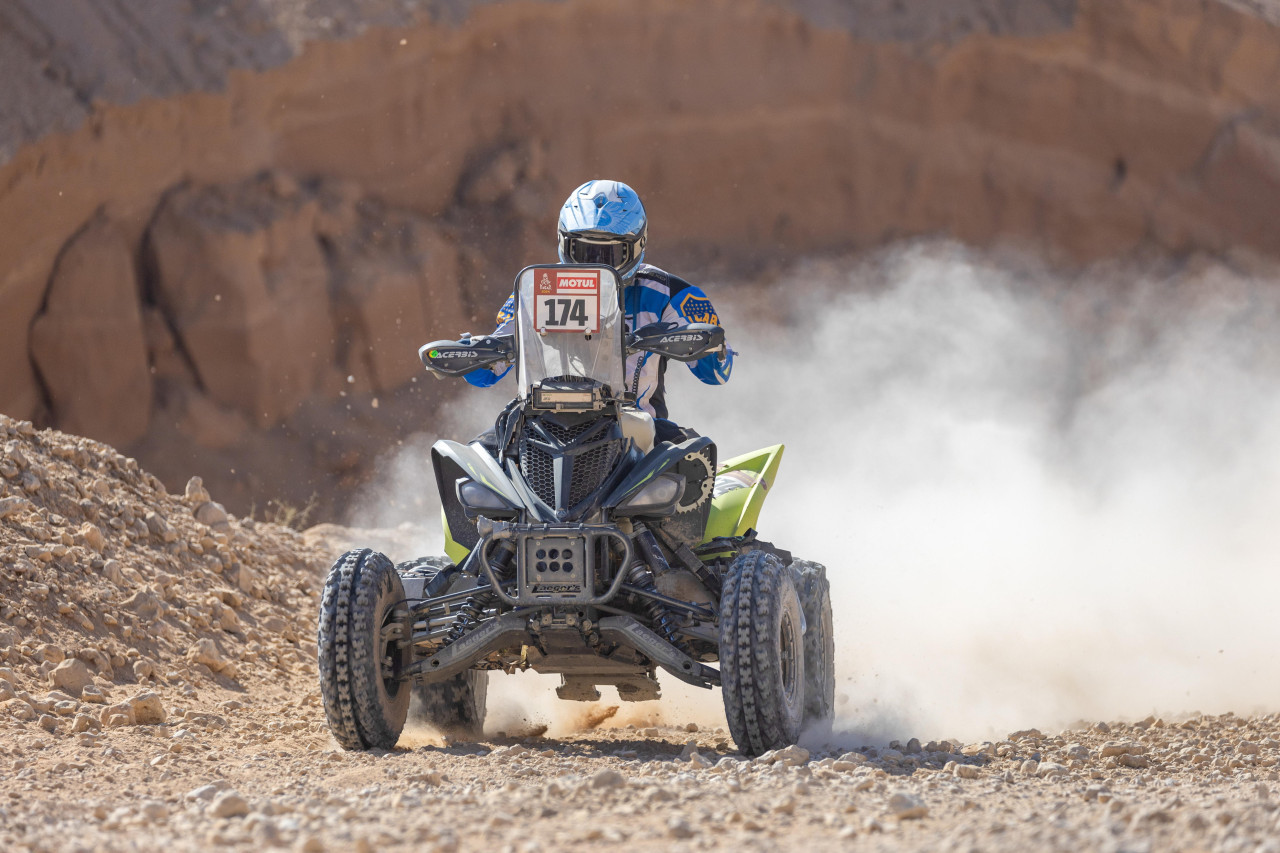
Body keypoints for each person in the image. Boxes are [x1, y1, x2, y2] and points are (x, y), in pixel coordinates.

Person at [465, 179, 734, 443]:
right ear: (564, 243)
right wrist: (473, 350)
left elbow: (716, 373)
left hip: (635, 430)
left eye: (609, 256)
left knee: (693, 455)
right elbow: (484, 374)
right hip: (539, 427)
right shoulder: (537, 289)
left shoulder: (670, 294)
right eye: (584, 251)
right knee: (472, 461)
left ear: (638, 246)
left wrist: (712, 345)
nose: (596, 266)